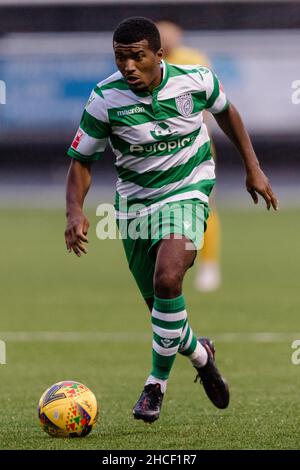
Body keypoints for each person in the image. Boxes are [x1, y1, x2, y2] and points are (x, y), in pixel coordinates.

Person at [65, 17, 278, 423]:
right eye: (120, 57)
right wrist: (75, 210)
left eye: (137, 57)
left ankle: (154, 386)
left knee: (168, 278)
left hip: (188, 190)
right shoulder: (104, 98)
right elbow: (82, 161)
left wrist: (253, 167)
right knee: (164, 312)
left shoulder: (195, 80)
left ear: (158, 55)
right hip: (134, 207)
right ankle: (201, 354)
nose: (128, 66)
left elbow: (227, 112)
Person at [156, 20, 222, 292]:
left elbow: (209, 105)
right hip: (159, 150)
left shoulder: (193, 60)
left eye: (167, 31)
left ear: (178, 34)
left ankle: (209, 266)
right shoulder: (147, 64)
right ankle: (163, 265)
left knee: (204, 206)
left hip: (194, 146)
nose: (164, 37)